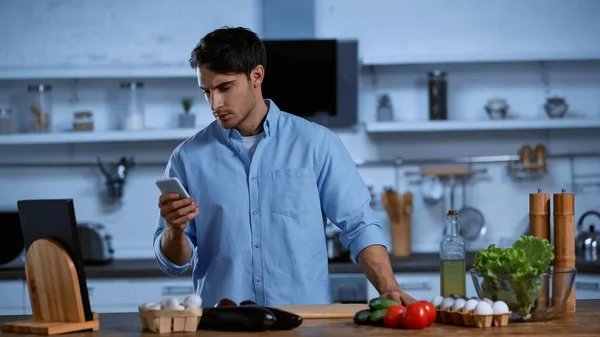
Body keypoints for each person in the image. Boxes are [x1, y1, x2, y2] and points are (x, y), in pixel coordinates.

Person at [153, 26, 416, 308]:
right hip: (221, 324)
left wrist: (388, 287)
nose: (215, 103)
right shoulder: (187, 158)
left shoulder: (317, 144)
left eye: (225, 87)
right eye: (206, 91)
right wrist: (174, 229)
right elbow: (175, 263)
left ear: (256, 75)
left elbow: (359, 224)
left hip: (305, 324)